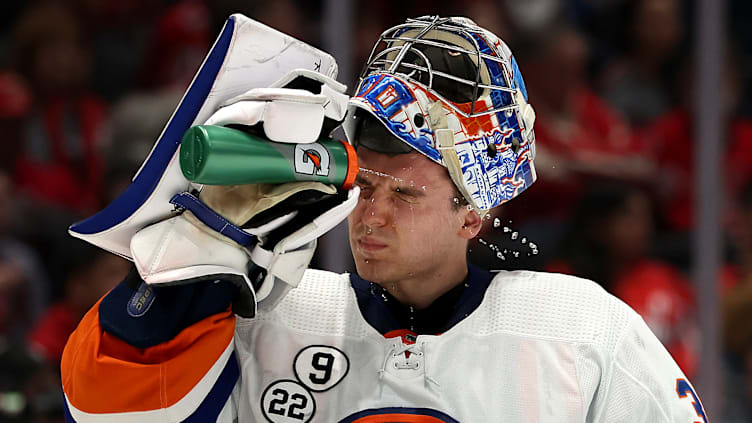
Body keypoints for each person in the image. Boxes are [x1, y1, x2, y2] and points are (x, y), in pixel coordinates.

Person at [61, 15, 707, 422]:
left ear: (474, 214)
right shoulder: (272, 312)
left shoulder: (583, 331)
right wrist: (188, 268)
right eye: (364, 187)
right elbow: (106, 409)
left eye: (403, 195)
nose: (370, 215)